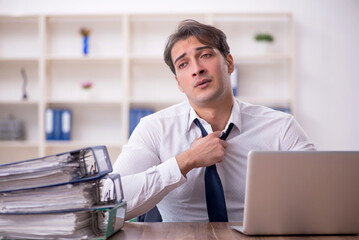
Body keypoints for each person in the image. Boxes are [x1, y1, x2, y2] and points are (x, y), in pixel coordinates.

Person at [112, 19, 316, 222]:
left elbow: (320, 192)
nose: (197, 69)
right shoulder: (154, 128)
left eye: (205, 55)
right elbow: (110, 202)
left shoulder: (280, 127)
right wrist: (186, 161)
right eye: (183, 64)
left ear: (229, 63)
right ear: (179, 83)